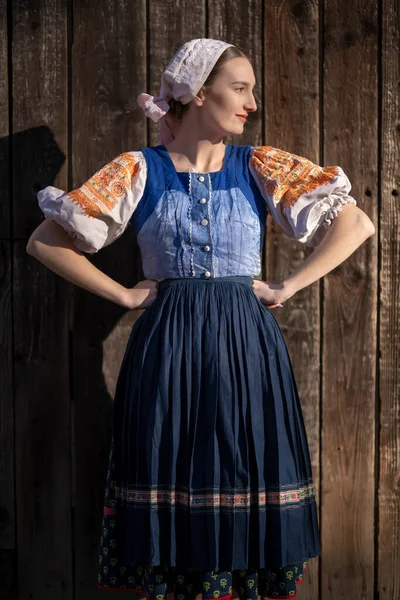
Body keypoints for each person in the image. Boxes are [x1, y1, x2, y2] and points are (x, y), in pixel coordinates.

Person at [26, 38, 375, 600]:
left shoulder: (259, 166)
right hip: (169, 349)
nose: (252, 103)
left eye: (251, 91)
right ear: (195, 93)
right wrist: (121, 295)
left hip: (247, 348)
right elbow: (45, 242)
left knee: (243, 464)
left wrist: (289, 284)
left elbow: (356, 224)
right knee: (176, 470)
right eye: (240, 89)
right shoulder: (140, 169)